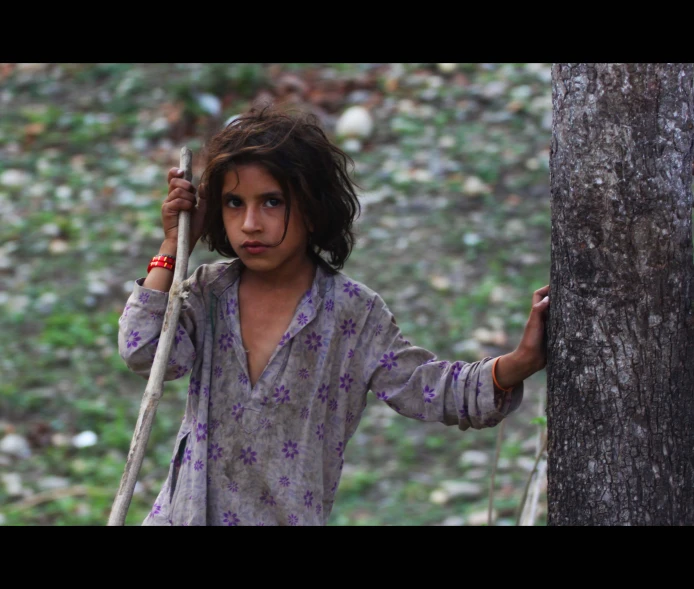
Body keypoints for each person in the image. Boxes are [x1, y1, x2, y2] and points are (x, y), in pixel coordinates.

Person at [118, 105, 550, 526]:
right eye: (234, 203)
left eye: (272, 202)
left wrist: (519, 362)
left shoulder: (352, 315)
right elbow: (146, 353)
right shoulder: (207, 292)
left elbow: (430, 388)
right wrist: (173, 247)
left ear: (311, 207)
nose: (250, 223)